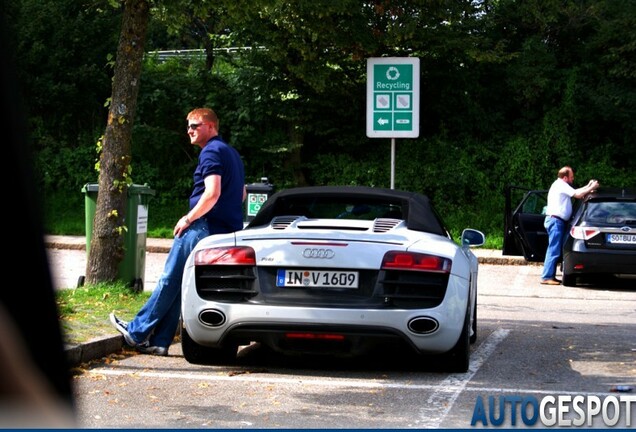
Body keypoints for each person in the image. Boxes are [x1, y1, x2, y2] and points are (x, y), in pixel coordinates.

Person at [110, 107, 246, 355]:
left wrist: (188, 218)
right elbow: (242, 193)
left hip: (203, 226)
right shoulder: (232, 154)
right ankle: (160, 341)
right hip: (223, 231)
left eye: (195, 125)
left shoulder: (212, 151)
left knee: (170, 278)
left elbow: (212, 192)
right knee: (180, 284)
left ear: (211, 126)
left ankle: (136, 331)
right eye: (188, 126)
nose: (189, 130)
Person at [540, 166, 599, 285]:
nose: (573, 179)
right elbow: (577, 194)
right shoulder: (560, 185)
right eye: (571, 177)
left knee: (554, 248)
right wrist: (591, 187)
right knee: (554, 249)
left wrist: (588, 187)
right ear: (565, 177)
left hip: (556, 221)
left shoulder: (560, 184)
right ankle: (547, 277)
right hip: (556, 221)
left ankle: (549, 275)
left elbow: (576, 191)